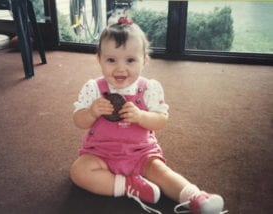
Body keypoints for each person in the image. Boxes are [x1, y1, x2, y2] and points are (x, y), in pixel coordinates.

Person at [70, 16, 227, 214]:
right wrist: (91, 112)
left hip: (141, 154)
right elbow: (78, 120)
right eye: (111, 60)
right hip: (100, 154)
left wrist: (141, 116)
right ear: (99, 59)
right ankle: (128, 186)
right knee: (79, 171)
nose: (120, 68)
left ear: (144, 60)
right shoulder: (93, 88)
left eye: (130, 60)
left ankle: (195, 197)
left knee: (161, 172)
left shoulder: (148, 88)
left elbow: (161, 120)